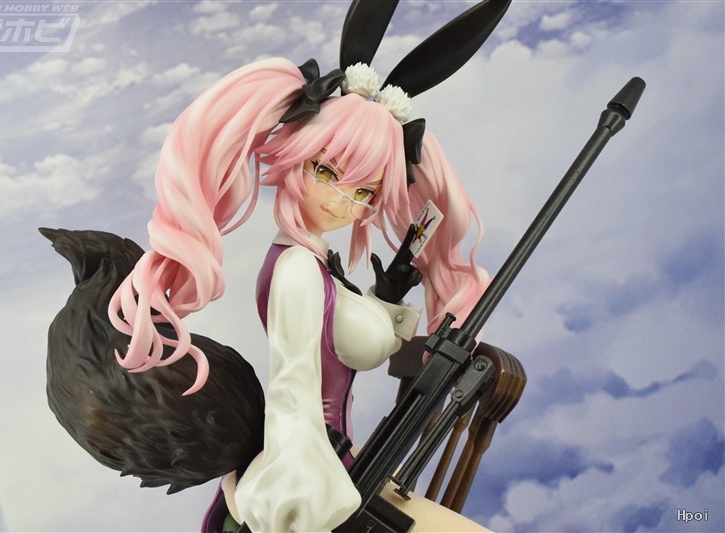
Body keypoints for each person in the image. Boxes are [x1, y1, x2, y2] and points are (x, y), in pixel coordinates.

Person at [106, 57, 491, 532]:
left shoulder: (314, 263)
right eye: (326, 172)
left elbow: (344, 348)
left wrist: (387, 299)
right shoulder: (297, 270)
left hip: (337, 459)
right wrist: (299, 497)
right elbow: (293, 387)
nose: (343, 201)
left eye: (365, 193)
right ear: (295, 155)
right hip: (311, 470)